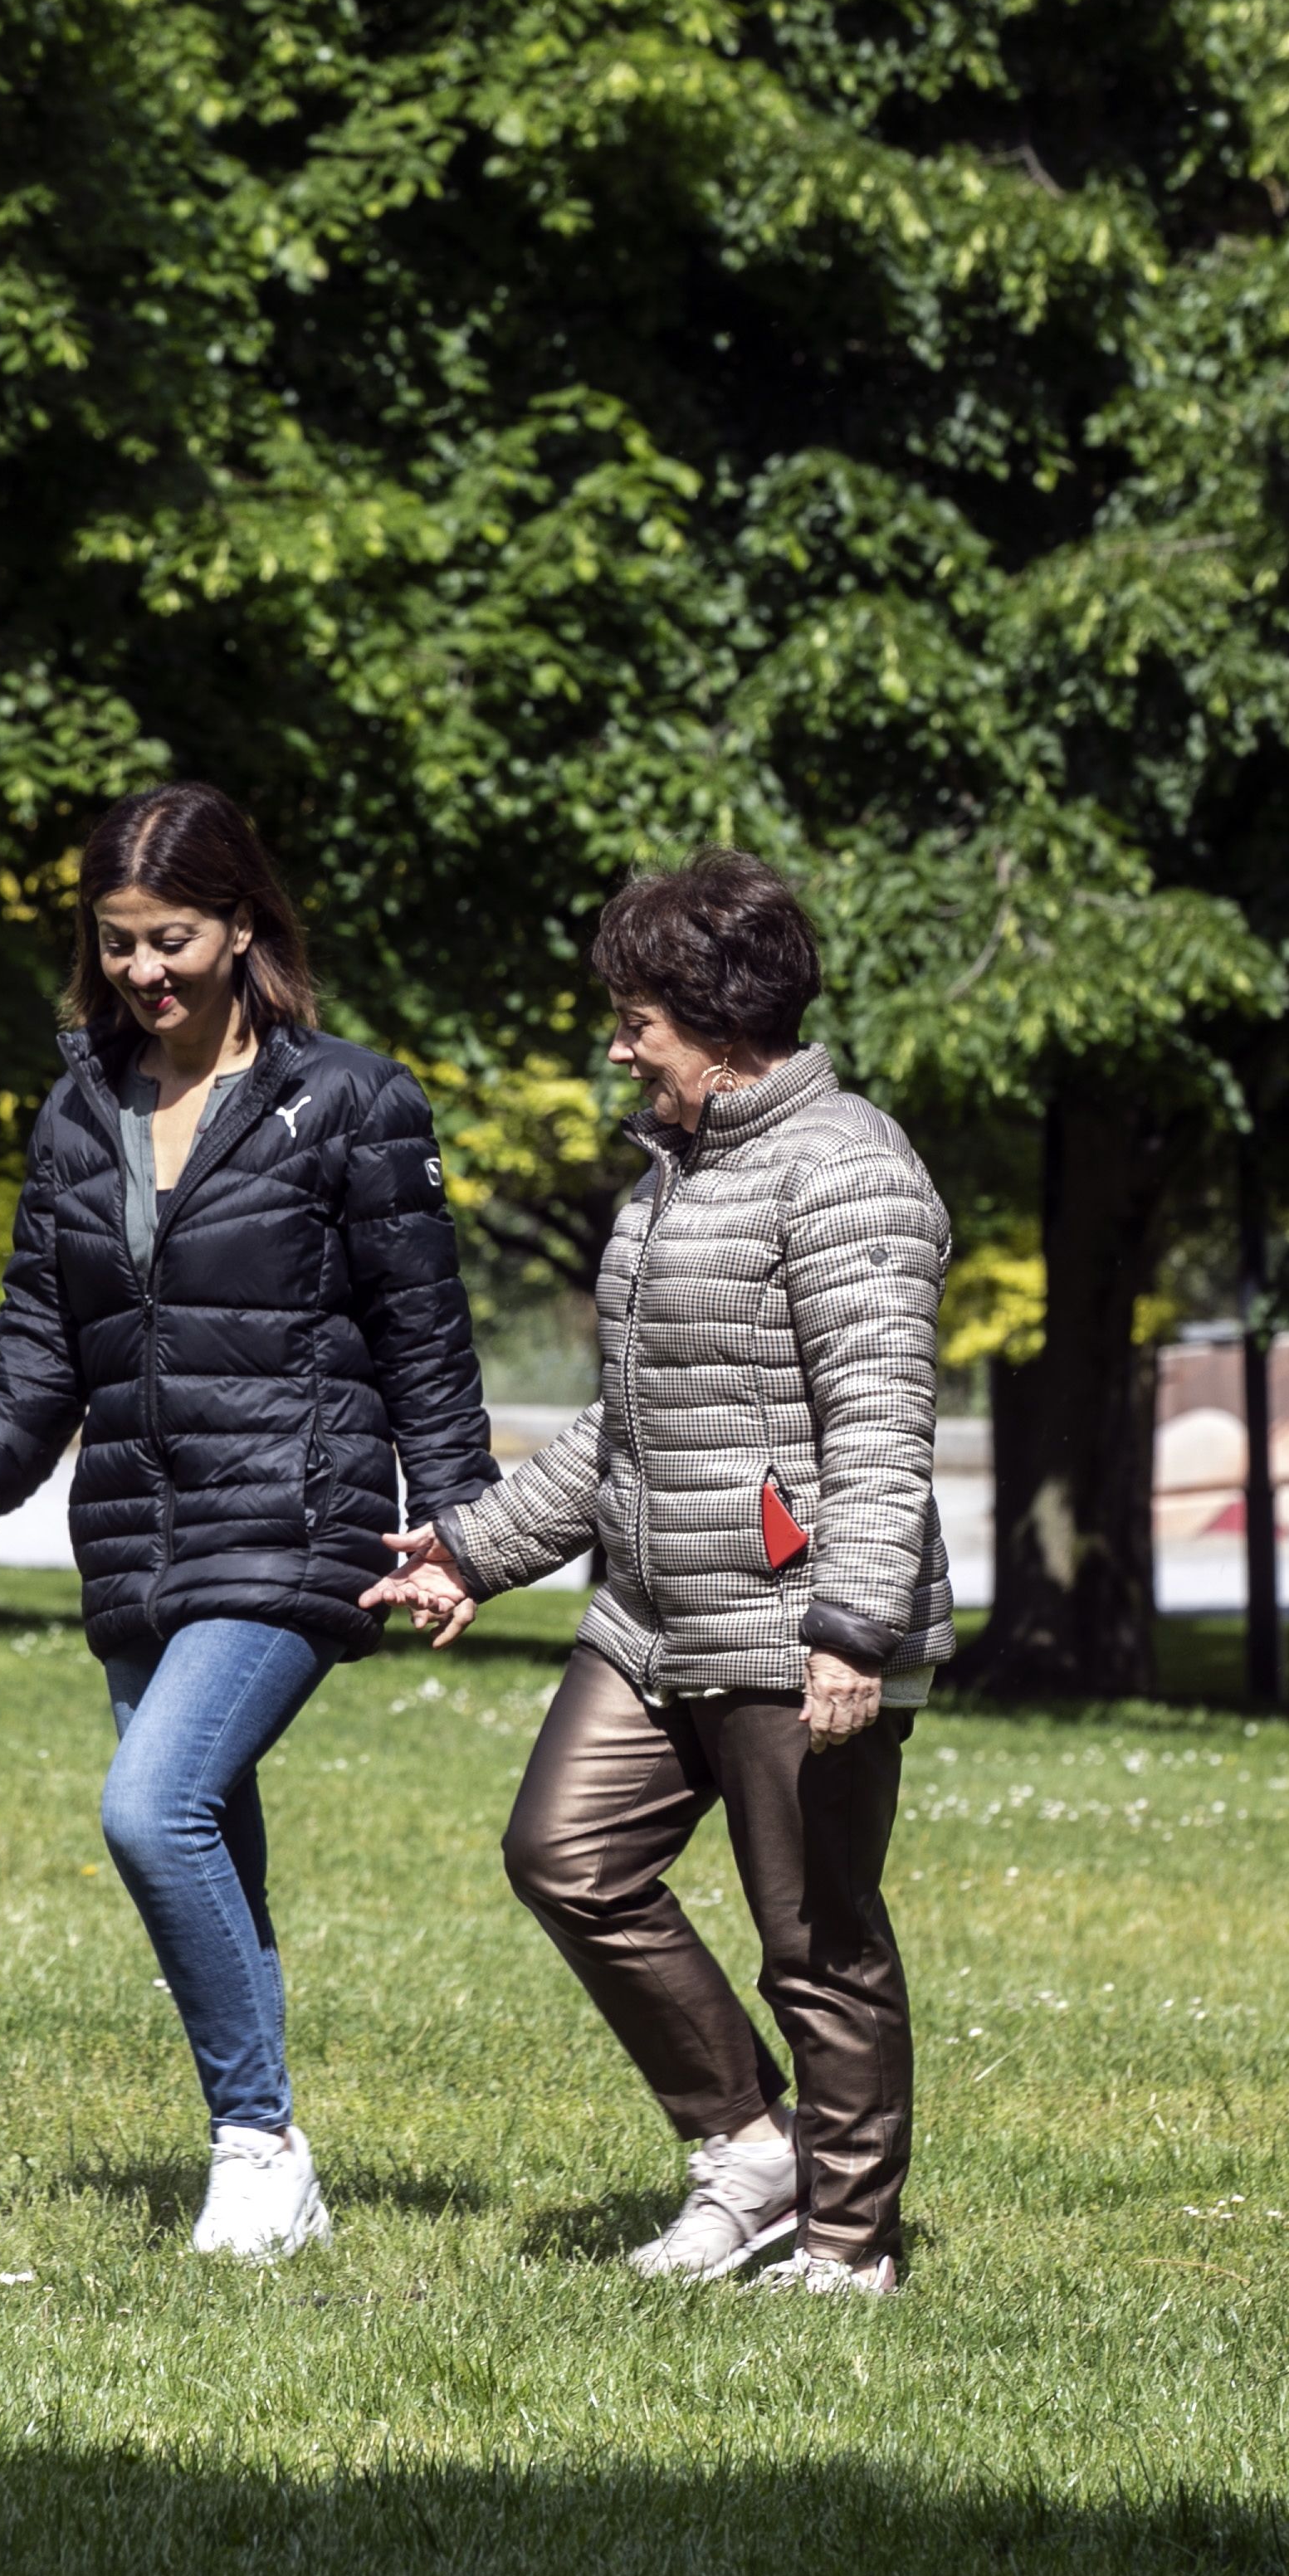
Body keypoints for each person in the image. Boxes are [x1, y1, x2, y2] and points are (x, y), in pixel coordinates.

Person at [0, 783, 494, 2261]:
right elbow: (43, 1348)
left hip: (300, 1517)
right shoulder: (79, 1109)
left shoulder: (350, 1102)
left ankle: (255, 2144)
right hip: (138, 1538)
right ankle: (270, 2170)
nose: (144, 972)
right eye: (117, 946)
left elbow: (426, 1341)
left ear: (243, 926)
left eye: (170, 938)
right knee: (211, 1851)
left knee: (149, 1808)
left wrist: (464, 1533)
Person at [366, 851, 951, 2295]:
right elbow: (630, 1428)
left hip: (795, 1618)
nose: (621, 1046)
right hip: (651, 1610)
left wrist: (854, 1626)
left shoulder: (851, 1172)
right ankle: (750, 2145)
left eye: (638, 1020)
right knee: (567, 1857)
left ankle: (847, 2245)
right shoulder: (680, 1174)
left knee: (816, 1941)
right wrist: (476, 1550)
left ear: (719, 1012)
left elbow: (882, 1427)